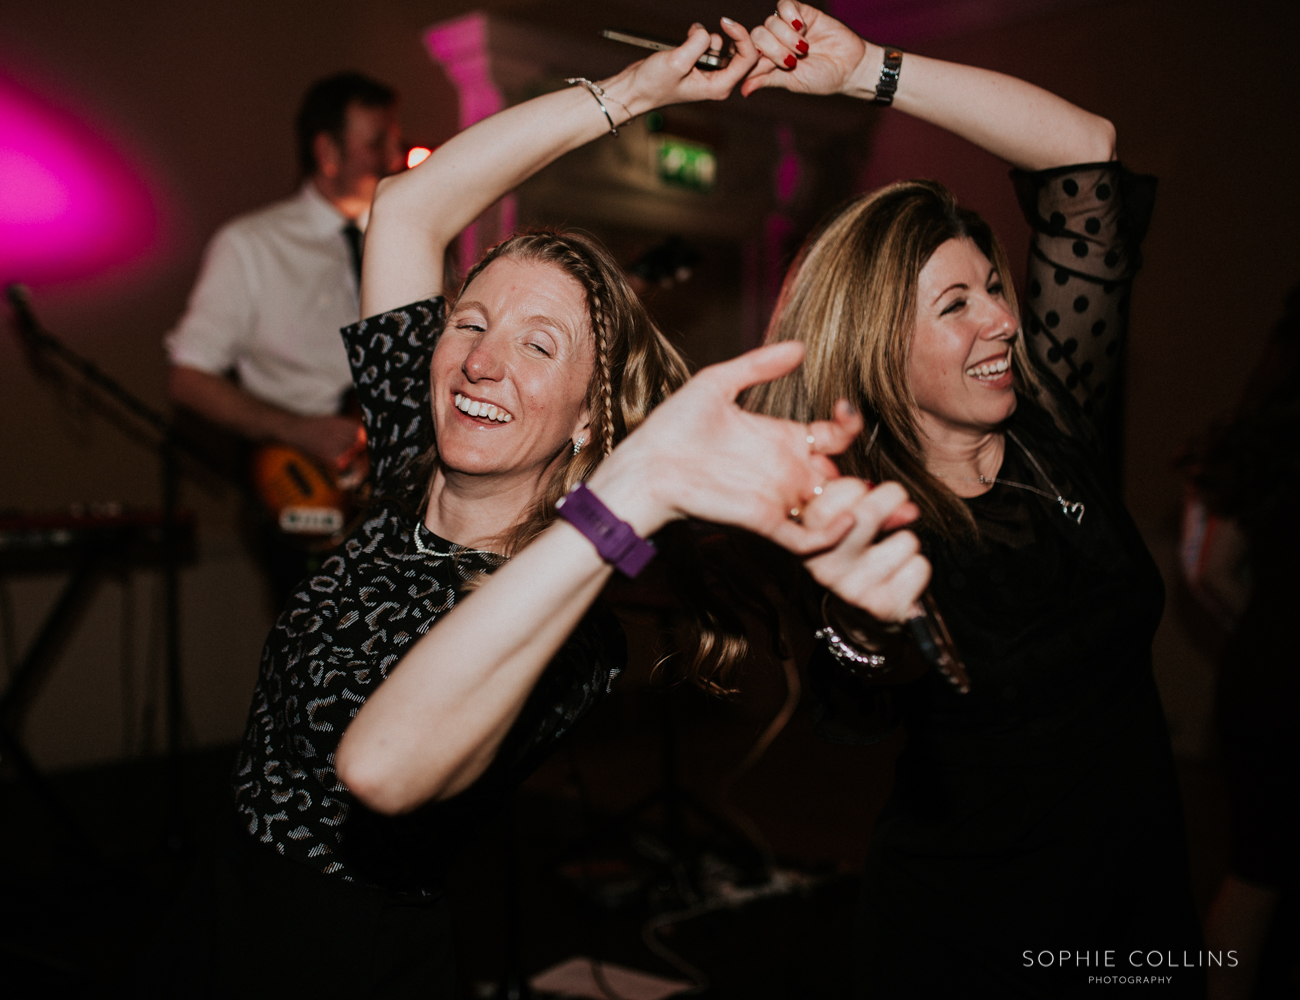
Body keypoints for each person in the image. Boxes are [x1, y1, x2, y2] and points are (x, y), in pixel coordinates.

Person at [210, 23, 922, 998]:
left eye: (539, 345)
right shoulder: (411, 465)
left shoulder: (569, 624)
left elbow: (385, 769)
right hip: (218, 916)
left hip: (347, 960)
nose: (484, 360)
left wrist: (635, 491)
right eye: (472, 322)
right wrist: (630, 93)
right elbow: (409, 209)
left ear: (591, 421)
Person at [738, 4, 1199, 995]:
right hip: (970, 937)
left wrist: (869, 70)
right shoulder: (861, 517)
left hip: (1140, 905)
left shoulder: (1052, 428)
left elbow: (1088, 154)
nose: (1002, 318)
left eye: (995, 284)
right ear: (878, 346)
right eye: (957, 304)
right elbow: (853, 695)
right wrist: (858, 618)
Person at [165, 72, 402, 598]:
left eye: (394, 139)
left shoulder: (405, 243)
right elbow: (188, 377)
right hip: (308, 485)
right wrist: (296, 428)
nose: (394, 155)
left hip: (394, 494)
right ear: (327, 150)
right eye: (376, 141)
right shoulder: (252, 244)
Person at [1182, 280, 1300, 1000]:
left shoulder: (1270, 425)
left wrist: (1269, 636)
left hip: (1264, 675)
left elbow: (1212, 571)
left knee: (1254, 880)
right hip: (1281, 680)